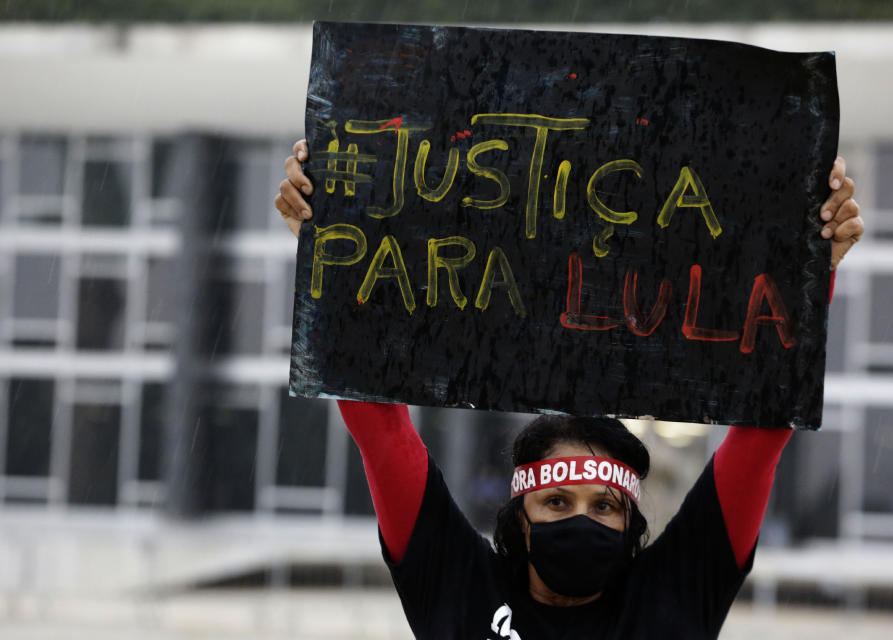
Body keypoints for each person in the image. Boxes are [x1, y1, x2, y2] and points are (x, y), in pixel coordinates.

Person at [275, 140, 863, 639]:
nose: (582, 520)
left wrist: (811, 266)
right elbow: (381, 434)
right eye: (558, 503)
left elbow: (762, 431)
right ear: (520, 518)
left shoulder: (676, 592)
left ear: (632, 521)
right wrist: (329, 237)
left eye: (604, 507)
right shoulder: (458, 584)